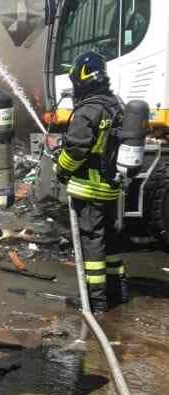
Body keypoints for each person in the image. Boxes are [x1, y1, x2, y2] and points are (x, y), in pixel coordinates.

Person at [54, 50, 128, 313]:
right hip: (112, 187)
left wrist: (61, 169)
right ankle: (117, 291)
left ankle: (95, 300)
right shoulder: (115, 104)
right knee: (111, 240)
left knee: (92, 242)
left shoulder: (88, 110)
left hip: (89, 188)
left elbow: (76, 150)